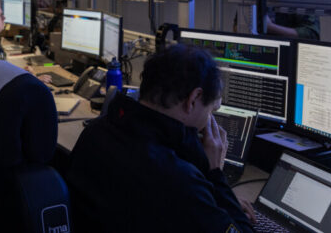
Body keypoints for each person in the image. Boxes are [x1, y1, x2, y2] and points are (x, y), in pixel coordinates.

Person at [67, 44, 255, 232]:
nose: (209, 120)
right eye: (211, 110)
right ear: (194, 99)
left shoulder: (96, 131)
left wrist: (208, 199)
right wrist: (215, 176)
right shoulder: (180, 181)